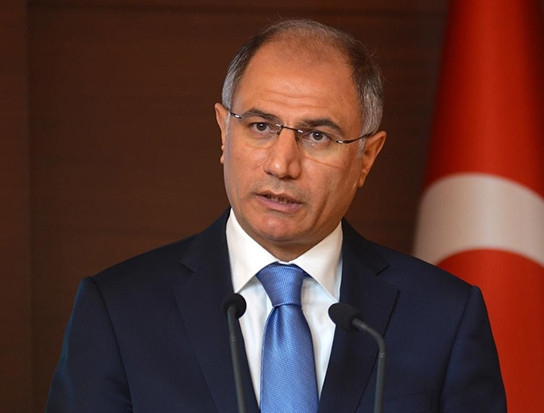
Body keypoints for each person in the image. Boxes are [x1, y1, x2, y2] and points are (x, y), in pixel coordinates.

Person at [45, 19, 506, 413]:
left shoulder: (444, 316)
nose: (282, 165)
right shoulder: (119, 310)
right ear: (224, 132)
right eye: (261, 127)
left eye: (317, 136)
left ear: (366, 157)